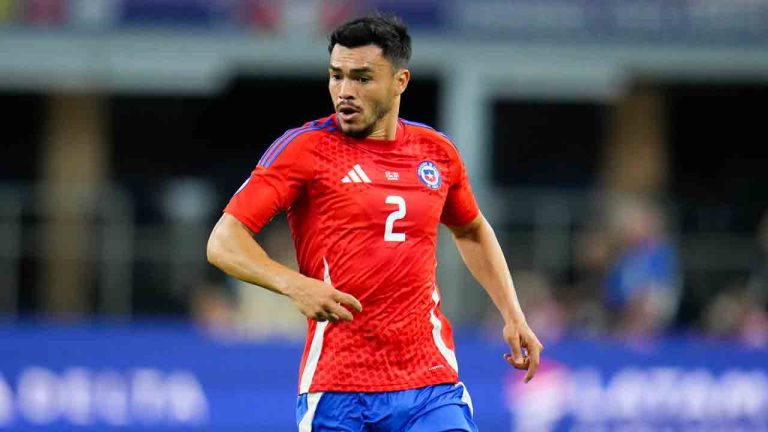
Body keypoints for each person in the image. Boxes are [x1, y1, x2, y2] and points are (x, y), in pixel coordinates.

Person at [206, 14, 542, 431]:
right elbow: (223, 241)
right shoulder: (305, 150)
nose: (345, 91)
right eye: (337, 76)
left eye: (362, 78)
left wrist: (512, 313)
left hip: (429, 382)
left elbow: (471, 229)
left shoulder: (436, 153)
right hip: (338, 387)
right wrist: (294, 284)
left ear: (400, 81)